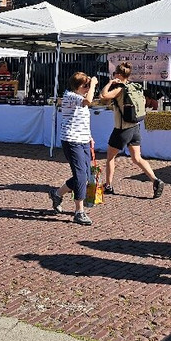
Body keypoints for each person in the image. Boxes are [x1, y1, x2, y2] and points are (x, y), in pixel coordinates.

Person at [98, 61, 164, 199]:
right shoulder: (135, 87)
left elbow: (103, 96)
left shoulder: (120, 89)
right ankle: (155, 180)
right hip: (135, 127)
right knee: (137, 158)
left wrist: (110, 83)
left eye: (115, 73)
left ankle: (108, 185)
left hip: (122, 129)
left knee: (110, 157)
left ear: (119, 75)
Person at [48, 72, 98, 226]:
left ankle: (57, 194)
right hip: (71, 140)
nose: (88, 88)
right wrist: (94, 84)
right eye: (86, 86)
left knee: (85, 174)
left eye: (89, 86)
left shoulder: (78, 98)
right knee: (80, 176)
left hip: (83, 140)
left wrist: (89, 136)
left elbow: (82, 118)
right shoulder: (70, 96)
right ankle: (79, 211)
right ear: (78, 87)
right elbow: (89, 100)